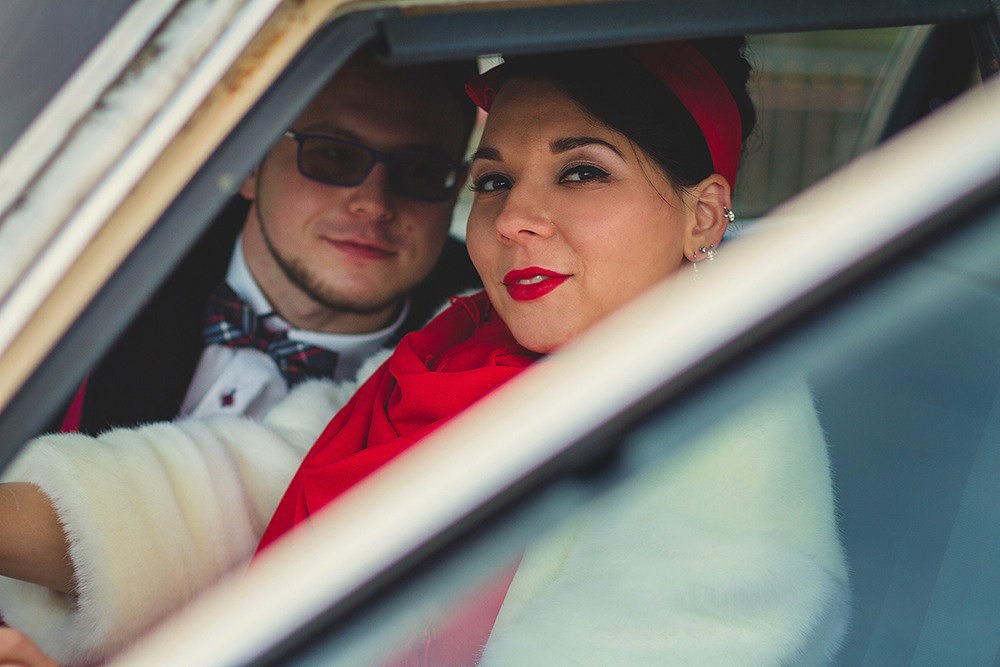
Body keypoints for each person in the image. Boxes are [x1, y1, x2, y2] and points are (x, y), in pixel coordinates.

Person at [0, 37, 849, 666]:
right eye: (494, 181)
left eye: (582, 172)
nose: (516, 216)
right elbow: (245, 491)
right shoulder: (462, 349)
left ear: (703, 215)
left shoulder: (730, 455)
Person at [57, 45, 481, 434]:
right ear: (249, 162)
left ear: (457, 188)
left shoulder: (484, 377)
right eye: (334, 154)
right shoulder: (94, 264)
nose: (373, 203)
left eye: (421, 170)